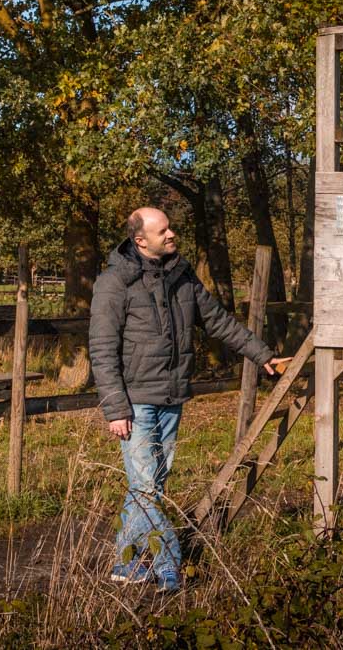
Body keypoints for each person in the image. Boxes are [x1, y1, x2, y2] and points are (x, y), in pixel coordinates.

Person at [88, 206, 290, 591]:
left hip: (172, 396)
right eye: (162, 230)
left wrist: (262, 355)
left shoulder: (180, 275)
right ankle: (170, 565)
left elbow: (217, 321)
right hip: (135, 402)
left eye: (170, 227)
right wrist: (115, 408)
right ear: (140, 240)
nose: (171, 234)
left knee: (151, 486)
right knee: (147, 487)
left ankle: (123, 563)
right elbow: (102, 348)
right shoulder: (114, 283)